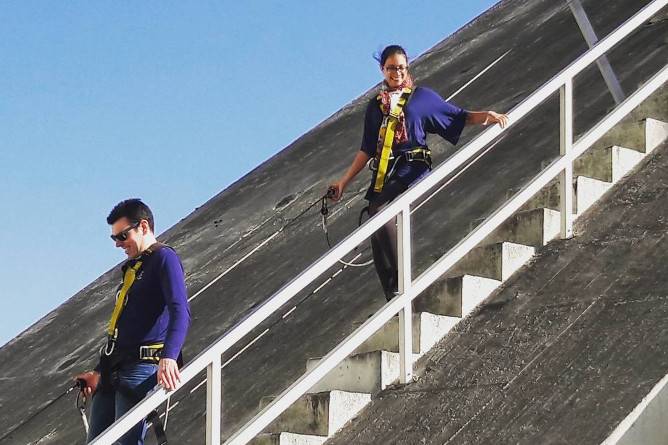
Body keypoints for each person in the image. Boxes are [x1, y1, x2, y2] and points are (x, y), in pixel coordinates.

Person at [328, 45, 509, 301]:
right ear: (382, 69)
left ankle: (405, 282)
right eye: (391, 68)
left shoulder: (420, 97)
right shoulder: (375, 107)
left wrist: (487, 116)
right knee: (373, 224)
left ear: (407, 68)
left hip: (413, 165)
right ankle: (394, 298)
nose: (397, 72)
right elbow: (367, 148)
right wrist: (344, 182)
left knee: (379, 211)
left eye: (401, 67)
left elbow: (457, 116)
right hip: (385, 170)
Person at [75, 198, 191, 444]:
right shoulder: (133, 267)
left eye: (122, 236)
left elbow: (180, 310)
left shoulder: (164, 258)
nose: (118, 244)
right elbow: (125, 326)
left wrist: (169, 356)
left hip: (141, 367)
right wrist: (98, 371)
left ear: (144, 226)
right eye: (114, 238)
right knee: (97, 441)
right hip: (113, 367)